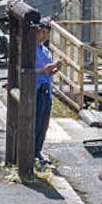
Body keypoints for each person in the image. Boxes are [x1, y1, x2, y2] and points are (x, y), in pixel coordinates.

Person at [35, 23, 60, 167]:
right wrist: (46, 68)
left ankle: (38, 150)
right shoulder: (30, 50)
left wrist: (55, 69)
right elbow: (31, 72)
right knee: (36, 121)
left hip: (46, 88)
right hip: (37, 89)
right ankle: (32, 151)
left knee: (44, 124)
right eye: (42, 32)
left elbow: (48, 73)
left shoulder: (45, 51)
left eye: (47, 33)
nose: (44, 36)